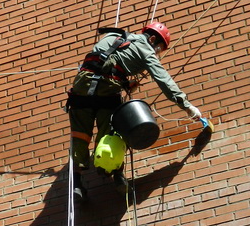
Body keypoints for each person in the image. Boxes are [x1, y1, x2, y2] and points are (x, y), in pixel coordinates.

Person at [66, 21, 202, 201]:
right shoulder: (146, 50)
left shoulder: (113, 37)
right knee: (113, 131)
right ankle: (116, 175)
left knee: (80, 135)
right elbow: (165, 81)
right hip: (107, 92)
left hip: (81, 87)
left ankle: (76, 183)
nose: (157, 54)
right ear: (152, 39)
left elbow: (101, 63)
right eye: (159, 48)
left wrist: (124, 83)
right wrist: (187, 106)